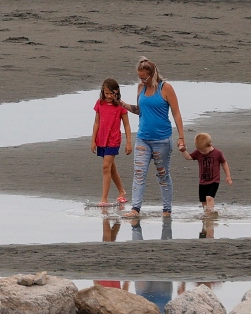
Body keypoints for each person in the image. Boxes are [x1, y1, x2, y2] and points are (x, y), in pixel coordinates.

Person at [124, 56, 186, 220]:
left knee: (163, 175)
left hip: (162, 140)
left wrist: (181, 137)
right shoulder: (140, 89)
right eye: (140, 77)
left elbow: (176, 113)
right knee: (139, 173)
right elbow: (139, 110)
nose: (142, 80)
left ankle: (167, 210)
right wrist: (122, 104)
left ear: (152, 74)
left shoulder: (166, 88)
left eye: (145, 77)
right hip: (143, 138)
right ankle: (135, 209)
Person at [90, 77, 134, 206]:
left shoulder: (120, 105)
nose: (108, 96)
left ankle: (104, 198)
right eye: (106, 93)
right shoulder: (99, 103)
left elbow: (126, 124)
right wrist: (93, 140)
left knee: (105, 167)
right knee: (111, 167)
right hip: (101, 139)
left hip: (113, 139)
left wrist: (129, 142)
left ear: (117, 92)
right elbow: (97, 122)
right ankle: (121, 191)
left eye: (111, 93)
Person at [186, 132, 232, 215]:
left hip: (214, 180)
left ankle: (210, 215)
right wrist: (183, 151)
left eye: (204, 151)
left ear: (210, 144)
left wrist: (228, 176)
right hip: (203, 181)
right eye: (200, 151)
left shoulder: (218, 153)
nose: (202, 152)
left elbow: (224, 163)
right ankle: (207, 215)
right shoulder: (198, 152)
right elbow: (188, 157)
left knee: (209, 197)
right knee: (203, 200)